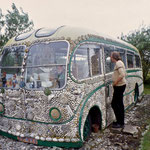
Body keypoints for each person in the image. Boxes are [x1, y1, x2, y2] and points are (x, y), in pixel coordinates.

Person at [111, 51, 126, 128]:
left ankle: (120, 123)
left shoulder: (118, 63)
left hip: (119, 86)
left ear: (114, 57)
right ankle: (120, 121)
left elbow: (122, 74)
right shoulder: (119, 63)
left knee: (115, 104)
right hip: (120, 86)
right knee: (118, 104)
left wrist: (115, 83)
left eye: (111, 56)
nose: (110, 58)